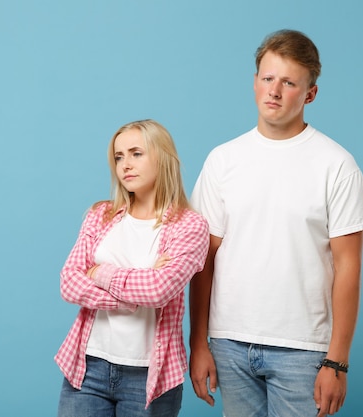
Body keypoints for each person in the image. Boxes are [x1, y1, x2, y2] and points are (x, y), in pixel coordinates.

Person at [189, 29, 363, 417]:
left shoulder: (336, 165)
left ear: (310, 94)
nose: (274, 91)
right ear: (255, 82)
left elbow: (348, 268)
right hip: (230, 343)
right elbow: (202, 261)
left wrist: (337, 361)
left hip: (303, 349)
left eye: (288, 82)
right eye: (267, 78)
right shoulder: (222, 161)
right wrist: (199, 344)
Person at [55, 119, 209, 417]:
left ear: (162, 157)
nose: (125, 164)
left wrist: (99, 272)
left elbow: (157, 291)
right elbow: (69, 282)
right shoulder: (101, 215)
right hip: (88, 366)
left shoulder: (189, 226)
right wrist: (137, 288)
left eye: (136, 153)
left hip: (148, 375)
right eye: (119, 156)